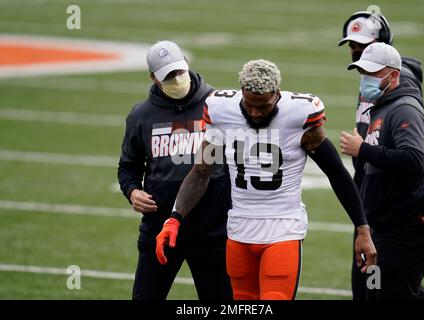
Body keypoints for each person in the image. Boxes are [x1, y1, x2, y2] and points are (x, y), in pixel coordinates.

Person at [155, 59, 377, 300]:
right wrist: (174, 219)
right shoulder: (221, 111)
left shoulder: (299, 116)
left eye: (264, 106)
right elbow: (201, 172)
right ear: (241, 94)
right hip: (238, 230)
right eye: (250, 105)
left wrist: (362, 228)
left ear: (277, 95)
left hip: (282, 230)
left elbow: (336, 173)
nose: (256, 113)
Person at [117, 40, 232, 300]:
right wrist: (132, 191)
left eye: (178, 71)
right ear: (153, 78)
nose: (176, 78)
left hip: (212, 231)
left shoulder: (220, 106)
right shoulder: (141, 115)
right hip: (160, 230)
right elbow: (128, 167)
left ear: (187, 65)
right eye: (168, 75)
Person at [338, 10, 424, 300]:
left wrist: (363, 149)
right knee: (373, 288)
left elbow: (413, 158)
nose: (357, 53)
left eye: (364, 47)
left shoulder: (401, 99)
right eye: (353, 47)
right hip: (372, 210)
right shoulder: (377, 90)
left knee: (383, 289)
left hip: (395, 220)